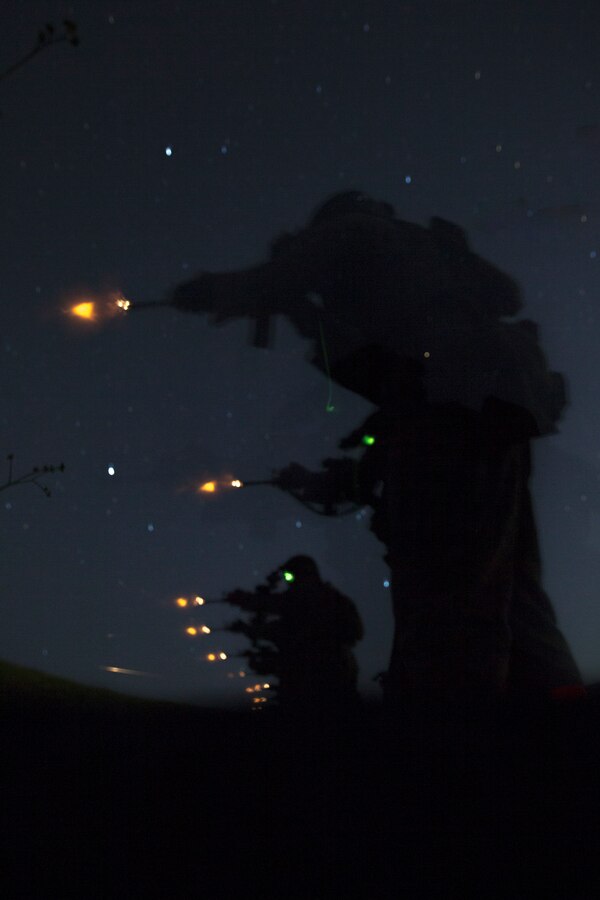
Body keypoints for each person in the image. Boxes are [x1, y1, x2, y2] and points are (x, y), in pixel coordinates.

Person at [172, 191, 584, 710]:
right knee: (514, 594)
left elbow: (289, 283)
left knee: (447, 589)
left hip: (452, 413)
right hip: (497, 417)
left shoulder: (357, 232)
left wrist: (217, 290)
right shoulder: (433, 260)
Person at [222, 556, 364, 712]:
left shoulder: (313, 598)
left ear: (305, 575)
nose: (289, 583)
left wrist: (243, 601)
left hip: (316, 678)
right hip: (336, 674)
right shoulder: (334, 600)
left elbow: (276, 607)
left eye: (290, 576)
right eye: (286, 578)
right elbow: (284, 629)